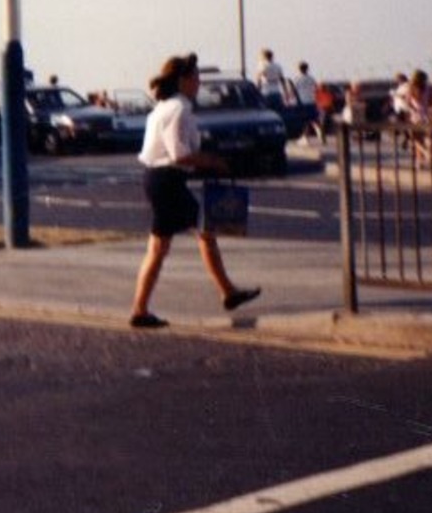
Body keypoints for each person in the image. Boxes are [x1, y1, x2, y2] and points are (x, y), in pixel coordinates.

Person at [129, 53, 261, 329]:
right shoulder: (179, 109)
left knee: (183, 239)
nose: (199, 82)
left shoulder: (163, 107)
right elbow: (179, 154)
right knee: (185, 239)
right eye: (196, 77)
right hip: (167, 179)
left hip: (159, 178)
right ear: (183, 80)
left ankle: (226, 292)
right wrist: (213, 161)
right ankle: (141, 309)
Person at [291, 61, 321, 143]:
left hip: (302, 102)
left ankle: (305, 138)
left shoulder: (297, 79)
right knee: (314, 120)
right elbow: (316, 88)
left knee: (304, 121)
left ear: (298, 69)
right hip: (312, 100)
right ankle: (321, 136)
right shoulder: (312, 78)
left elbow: (293, 91)